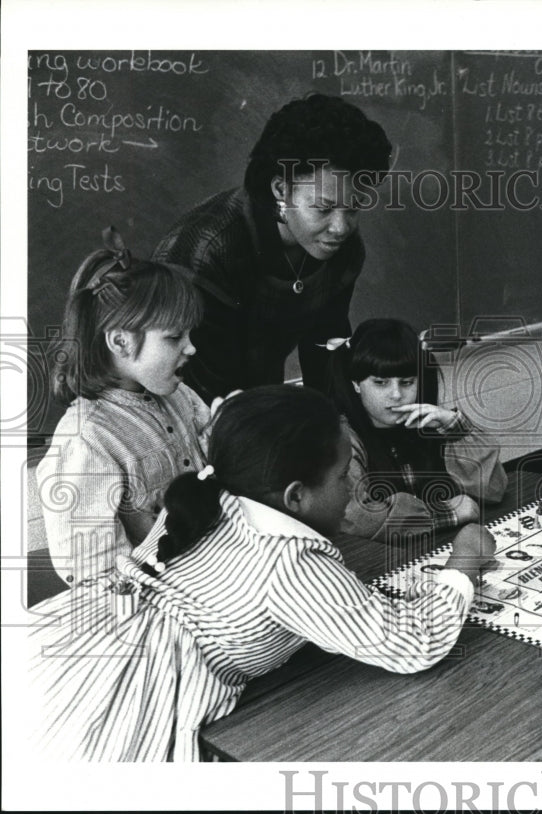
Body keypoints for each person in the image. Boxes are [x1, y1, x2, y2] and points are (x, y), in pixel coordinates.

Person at [29, 385, 497, 761]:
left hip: (78, 641)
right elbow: (415, 642)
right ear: (295, 497)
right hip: (126, 699)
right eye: (341, 478)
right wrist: (465, 559)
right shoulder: (291, 561)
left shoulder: (206, 495)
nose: (352, 489)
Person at [152, 94, 392, 403]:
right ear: (280, 189)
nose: (341, 227)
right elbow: (203, 391)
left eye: (355, 208)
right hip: (186, 412)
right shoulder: (206, 253)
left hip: (260, 401)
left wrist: (338, 424)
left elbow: (325, 354)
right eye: (323, 208)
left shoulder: (340, 248)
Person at [35, 227, 209, 586]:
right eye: (175, 337)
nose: (191, 348)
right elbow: (92, 573)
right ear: (121, 341)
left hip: (214, 570)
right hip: (157, 600)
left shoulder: (180, 396)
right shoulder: (86, 440)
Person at [329, 319, 508, 542]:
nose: (396, 395)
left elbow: (493, 491)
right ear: (356, 384)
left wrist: (456, 428)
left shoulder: (432, 421)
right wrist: (442, 513)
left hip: (437, 545)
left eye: (406, 382)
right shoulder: (342, 439)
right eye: (380, 383)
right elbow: (353, 516)